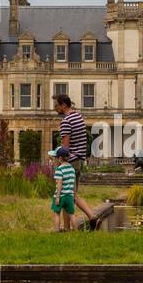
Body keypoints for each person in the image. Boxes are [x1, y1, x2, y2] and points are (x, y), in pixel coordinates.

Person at [53, 93, 96, 228]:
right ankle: (70, 227)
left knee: (68, 195)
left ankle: (92, 217)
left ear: (64, 105)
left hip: (71, 161)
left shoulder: (66, 121)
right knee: (72, 195)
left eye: (57, 105)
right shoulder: (78, 117)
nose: (55, 108)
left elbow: (65, 148)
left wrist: (57, 158)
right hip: (80, 159)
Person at [49, 146, 77, 231]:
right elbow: (74, 183)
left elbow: (59, 184)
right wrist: (74, 195)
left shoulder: (59, 169)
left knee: (57, 213)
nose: (56, 159)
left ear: (60, 158)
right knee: (71, 214)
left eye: (57, 157)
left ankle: (57, 230)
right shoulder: (72, 169)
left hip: (61, 196)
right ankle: (76, 231)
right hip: (70, 196)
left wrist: (57, 197)